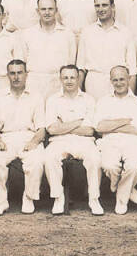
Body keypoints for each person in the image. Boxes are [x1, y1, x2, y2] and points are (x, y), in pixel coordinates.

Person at [0, 60, 46, 216]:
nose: (16, 77)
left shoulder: (36, 97)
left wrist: (33, 142)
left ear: (26, 74)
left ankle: (29, 198)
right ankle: (1, 201)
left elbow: (41, 128)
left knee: (37, 160)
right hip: (6, 138)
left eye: (20, 72)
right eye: (12, 73)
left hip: (29, 137)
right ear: (7, 75)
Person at [43, 65, 103, 216]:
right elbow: (51, 129)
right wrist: (78, 122)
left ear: (78, 79)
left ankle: (94, 199)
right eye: (65, 77)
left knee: (95, 158)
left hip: (84, 141)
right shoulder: (53, 100)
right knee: (49, 158)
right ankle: (58, 198)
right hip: (58, 141)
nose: (69, 81)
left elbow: (90, 130)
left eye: (72, 77)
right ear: (60, 79)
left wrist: (63, 125)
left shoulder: (89, 99)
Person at [94, 65, 137, 214]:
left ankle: (121, 199)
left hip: (133, 141)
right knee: (109, 165)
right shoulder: (103, 101)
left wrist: (111, 124)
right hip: (109, 141)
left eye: (122, 79)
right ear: (111, 81)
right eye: (115, 80)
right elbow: (99, 127)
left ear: (129, 79)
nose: (119, 83)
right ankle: (125, 188)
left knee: (135, 166)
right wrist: (124, 121)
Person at [76, 0, 137, 100]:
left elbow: (132, 70)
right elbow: (81, 67)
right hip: (94, 84)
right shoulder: (87, 32)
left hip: (118, 83)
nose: (101, 9)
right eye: (97, 5)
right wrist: (78, 95)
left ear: (112, 7)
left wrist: (129, 97)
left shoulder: (125, 32)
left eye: (104, 5)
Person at [21, 0, 76, 99]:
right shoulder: (27, 34)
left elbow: (71, 63)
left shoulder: (67, 34)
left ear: (56, 10)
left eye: (50, 9)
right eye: (43, 9)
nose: (47, 12)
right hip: (34, 83)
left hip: (59, 84)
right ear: (37, 11)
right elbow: (22, 63)